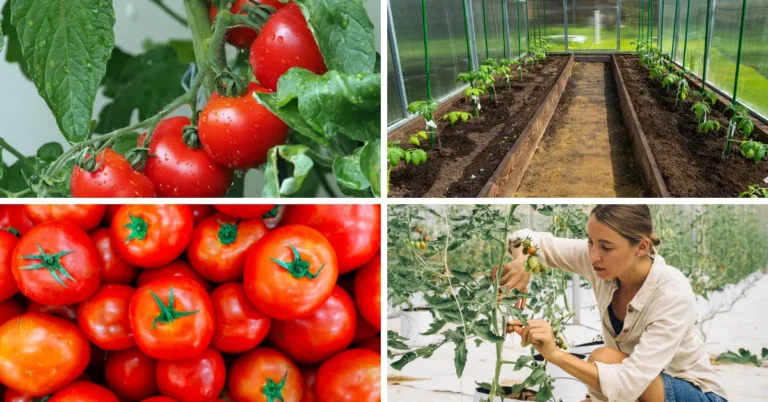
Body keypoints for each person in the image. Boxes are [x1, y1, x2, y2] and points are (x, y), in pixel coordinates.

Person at [497, 205, 727, 402]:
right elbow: (522, 237)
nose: (594, 255)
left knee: (604, 359)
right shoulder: (600, 261)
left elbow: (628, 383)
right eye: (590, 242)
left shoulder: (671, 294)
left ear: (642, 247)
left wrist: (555, 354)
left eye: (606, 247)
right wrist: (523, 261)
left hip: (694, 392)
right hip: (637, 388)